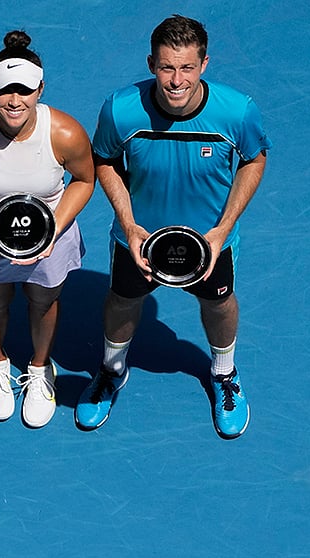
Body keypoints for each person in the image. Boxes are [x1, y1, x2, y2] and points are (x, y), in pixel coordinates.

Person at [76, 15, 270, 439]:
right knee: (122, 301)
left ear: (204, 64)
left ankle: (224, 373)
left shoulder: (237, 111)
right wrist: (129, 224)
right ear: (151, 64)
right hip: (139, 239)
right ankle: (111, 370)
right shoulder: (121, 109)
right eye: (166, 67)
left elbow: (254, 159)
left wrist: (223, 229)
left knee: (219, 304)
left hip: (210, 242)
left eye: (186, 68)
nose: (176, 80)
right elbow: (104, 160)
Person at [0, 30, 95, 428]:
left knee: (43, 303)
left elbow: (84, 180)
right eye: (5, 90)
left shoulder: (65, 133)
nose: (14, 100)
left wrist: (54, 229)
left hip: (50, 236)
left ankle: (40, 368)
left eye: (24, 90)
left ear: (40, 89)